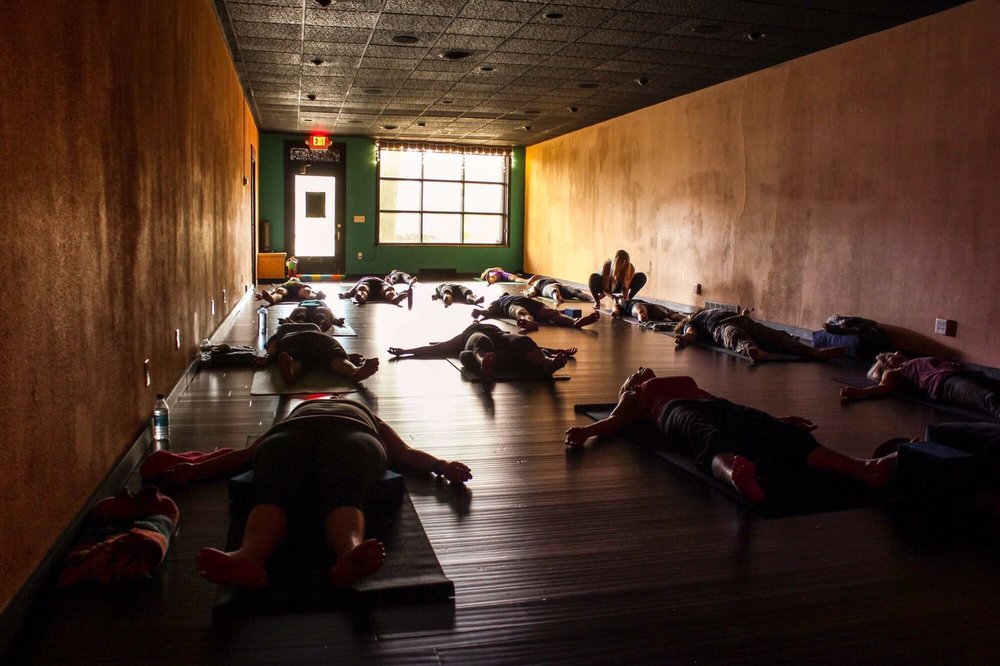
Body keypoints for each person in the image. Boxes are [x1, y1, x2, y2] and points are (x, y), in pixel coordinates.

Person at [184, 397, 472, 589]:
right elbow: (404, 453)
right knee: (306, 487)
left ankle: (346, 554)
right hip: (320, 434)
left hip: (324, 435)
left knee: (285, 489)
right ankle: (249, 557)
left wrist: (442, 465)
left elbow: (404, 452)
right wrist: (194, 469)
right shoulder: (354, 411)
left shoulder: (311, 411)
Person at [565, 368, 895, 504]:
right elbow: (615, 420)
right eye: (635, 372)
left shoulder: (680, 379)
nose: (641, 368)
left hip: (716, 403)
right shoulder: (636, 394)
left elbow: (720, 402)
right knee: (706, 436)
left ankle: (864, 467)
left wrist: (775, 419)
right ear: (631, 383)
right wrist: (585, 432)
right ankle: (734, 473)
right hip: (673, 411)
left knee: (778, 433)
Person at [840, 352, 1000, 418]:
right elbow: (884, 387)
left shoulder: (912, 361)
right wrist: (859, 392)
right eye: (890, 355)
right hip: (944, 383)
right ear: (887, 365)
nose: (896, 352)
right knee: (988, 399)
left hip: (964, 373)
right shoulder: (892, 371)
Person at [388, 321, 576, 377]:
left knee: (522, 340)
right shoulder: (465, 334)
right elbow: (438, 348)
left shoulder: (494, 328)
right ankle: (483, 362)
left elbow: (533, 346)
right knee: (481, 342)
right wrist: (406, 351)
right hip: (476, 340)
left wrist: (555, 351)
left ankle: (547, 363)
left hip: (500, 337)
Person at [674, 308, 845, 363]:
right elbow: (691, 333)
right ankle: (754, 351)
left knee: (776, 336)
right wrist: (685, 339)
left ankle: (814, 352)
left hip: (743, 320)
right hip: (721, 326)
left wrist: (744, 314)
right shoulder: (693, 321)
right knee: (735, 336)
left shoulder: (707, 310)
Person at [263, 322, 378, 384]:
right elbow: (272, 346)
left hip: (294, 342)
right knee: (334, 356)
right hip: (320, 340)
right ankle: (354, 371)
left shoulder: (281, 333)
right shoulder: (315, 328)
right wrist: (347, 356)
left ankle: (292, 372)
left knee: (298, 358)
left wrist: (268, 357)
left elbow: (272, 346)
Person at [472, 293, 600, 332]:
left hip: (532, 303)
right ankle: (530, 323)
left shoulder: (514, 295)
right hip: (510, 306)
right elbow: (487, 311)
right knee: (521, 312)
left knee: (552, 312)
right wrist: (479, 311)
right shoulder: (498, 302)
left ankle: (574, 322)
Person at [339, 276, 408, 305]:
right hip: (367, 283)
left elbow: (392, 289)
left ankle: (395, 298)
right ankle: (361, 297)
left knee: (389, 289)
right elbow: (351, 291)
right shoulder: (363, 279)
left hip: (380, 284)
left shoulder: (384, 282)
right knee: (362, 288)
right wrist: (344, 294)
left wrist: (398, 293)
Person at [256, 277, 326, 305]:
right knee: (280, 291)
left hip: (299, 288)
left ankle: (315, 297)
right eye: (292, 279)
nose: (293, 279)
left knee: (306, 291)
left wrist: (317, 294)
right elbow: (273, 290)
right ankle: (273, 299)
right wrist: (263, 295)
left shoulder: (300, 283)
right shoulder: (285, 284)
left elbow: (312, 291)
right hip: (287, 289)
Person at [524, 276, 590, 305]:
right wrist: (530, 294)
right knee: (552, 290)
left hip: (557, 285)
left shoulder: (536, 283)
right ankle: (556, 295)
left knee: (575, 291)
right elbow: (532, 291)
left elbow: (532, 291)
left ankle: (591, 298)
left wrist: (531, 293)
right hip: (549, 286)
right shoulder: (535, 284)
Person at [618, 299, 690, 323]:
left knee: (670, 313)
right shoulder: (622, 303)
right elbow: (615, 309)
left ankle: (691, 320)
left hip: (650, 305)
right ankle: (642, 319)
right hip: (635, 306)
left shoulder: (630, 298)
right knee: (641, 313)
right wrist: (615, 312)